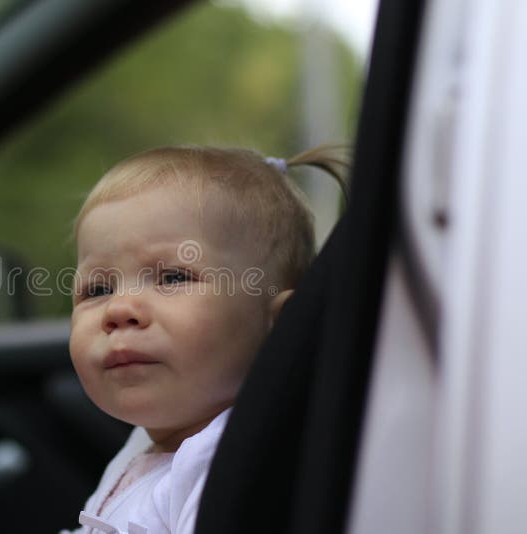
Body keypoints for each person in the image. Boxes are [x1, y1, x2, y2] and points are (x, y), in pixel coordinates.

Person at [62, 145, 347, 534]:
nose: (118, 309)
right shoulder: (144, 447)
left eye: (173, 278)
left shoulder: (223, 465)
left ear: (281, 325)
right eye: (96, 289)